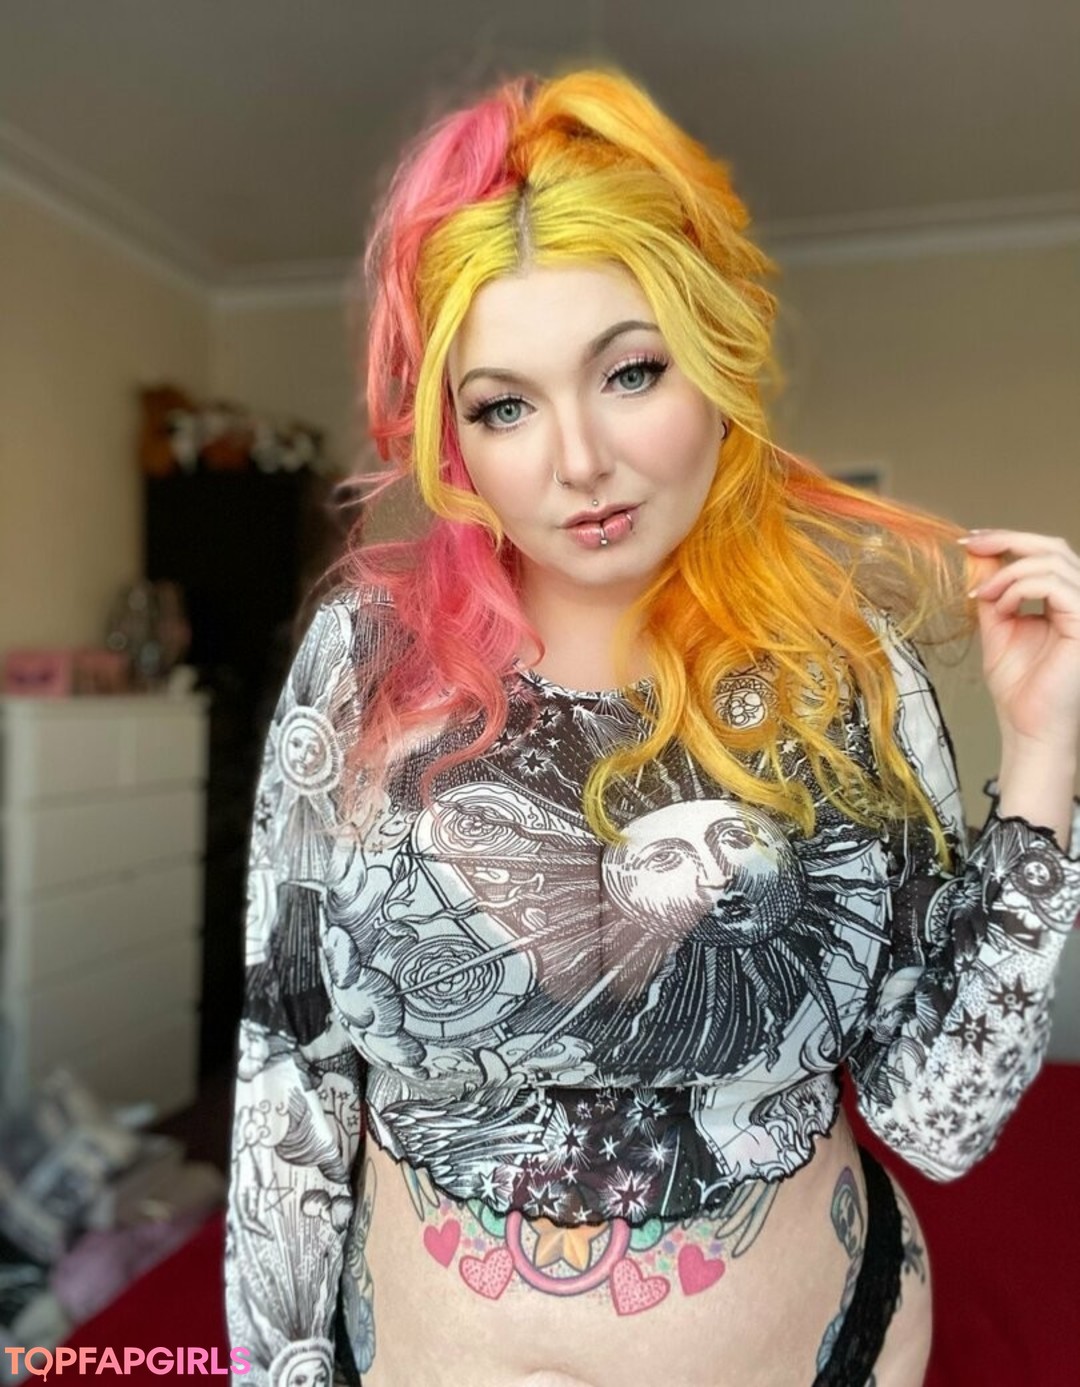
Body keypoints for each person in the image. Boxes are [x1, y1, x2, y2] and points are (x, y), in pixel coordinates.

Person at [224, 66, 1080, 1387]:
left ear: (714, 360)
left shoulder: (844, 672)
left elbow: (937, 1119)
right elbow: (289, 1067)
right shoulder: (367, 664)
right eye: (505, 404)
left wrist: (1044, 752)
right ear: (456, 442)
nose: (578, 459)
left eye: (629, 371)